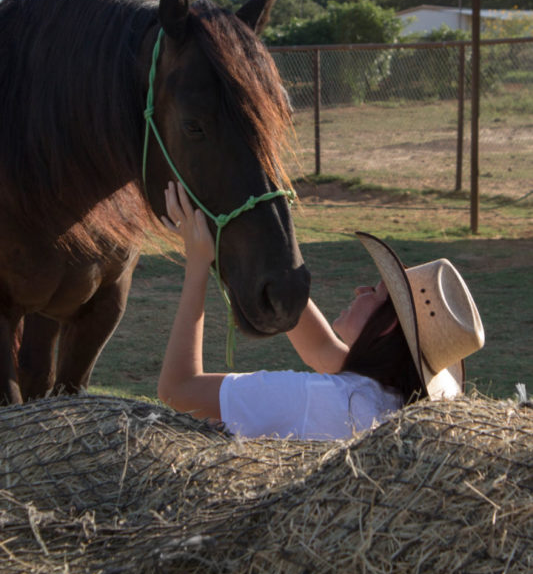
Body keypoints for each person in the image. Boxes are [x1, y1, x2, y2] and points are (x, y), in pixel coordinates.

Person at [158, 181, 485, 440]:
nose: (361, 290)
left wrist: (197, 265)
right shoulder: (390, 399)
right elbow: (322, 350)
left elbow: (178, 390)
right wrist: (232, 252)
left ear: (386, 328)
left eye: (374, 292)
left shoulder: (316, 399)